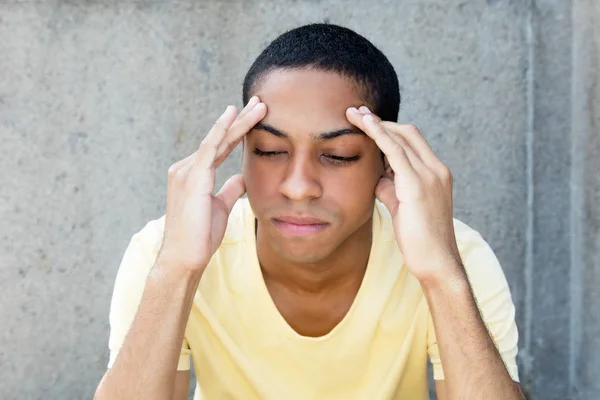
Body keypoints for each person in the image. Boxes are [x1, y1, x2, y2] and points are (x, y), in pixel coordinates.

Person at [94, 24, 524, 400]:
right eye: (270, 150)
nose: (298, 186)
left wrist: (443, 278)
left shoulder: (452, 256)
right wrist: (175, 271)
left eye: (338, 155)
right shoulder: (166, 252)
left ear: (389, 162)